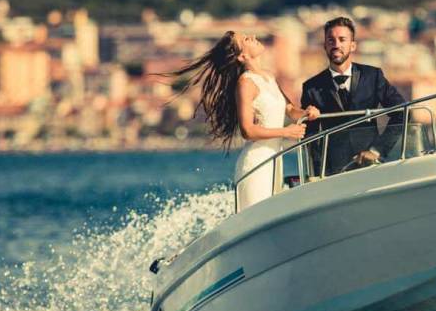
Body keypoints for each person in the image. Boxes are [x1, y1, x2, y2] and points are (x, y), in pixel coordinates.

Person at [166, 31, 320, 210]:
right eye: (246, 39)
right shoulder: (245, 84)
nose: (253, 36)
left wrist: (308, 112)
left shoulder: (269, 77)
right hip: (256, 163)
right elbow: (247, 130)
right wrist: (286, 132)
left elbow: (290, 110)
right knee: (258, 219)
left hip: (274, 160)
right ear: (242, 56)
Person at [300, 17, 406, 176]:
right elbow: (311, 138)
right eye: (331, 40)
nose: (336, 45)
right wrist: (317, 174)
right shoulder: (311, 87)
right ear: (325, 46)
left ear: (353, 45)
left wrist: (376, 151)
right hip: (333, 172)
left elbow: (402, 113)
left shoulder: (373, 76)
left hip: (371, 167)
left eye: (342, 39)